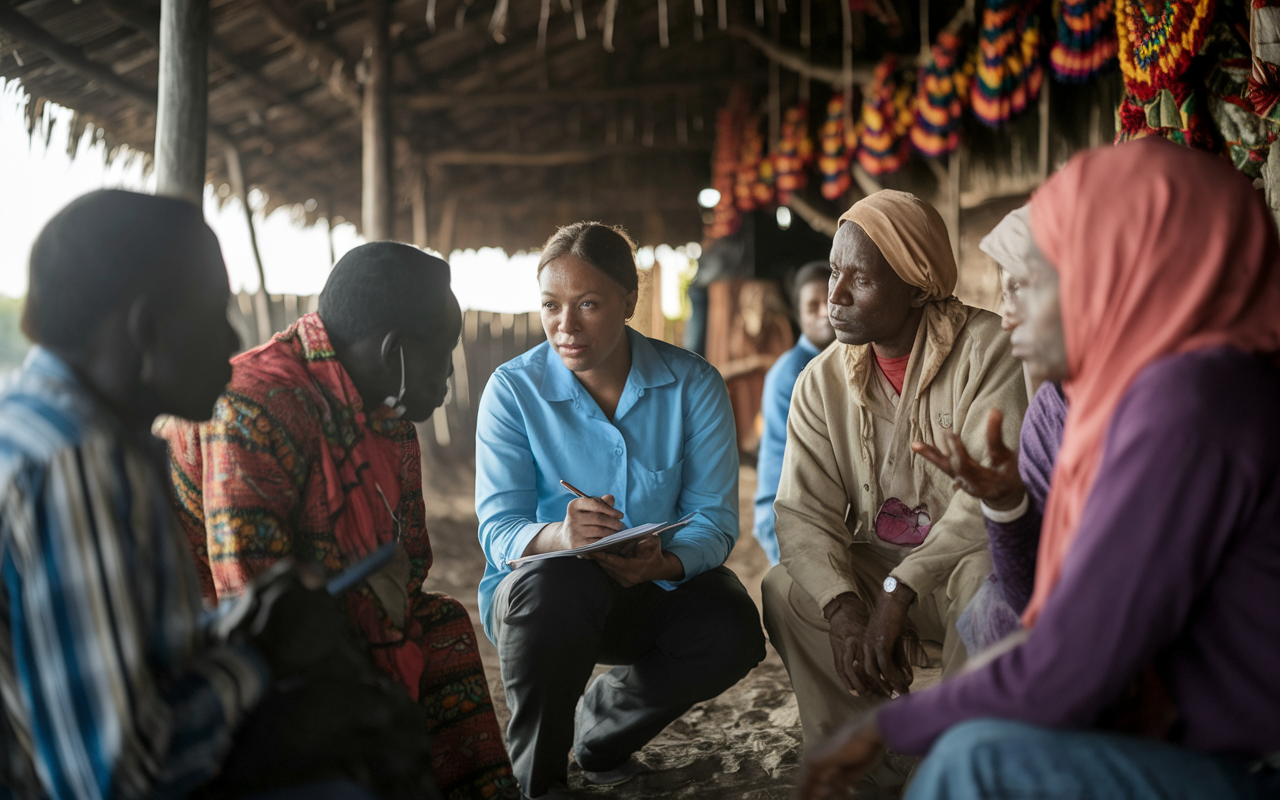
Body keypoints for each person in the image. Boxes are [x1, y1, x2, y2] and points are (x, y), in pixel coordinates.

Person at [797, 138, 1280, 800]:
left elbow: (1076, 655)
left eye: (1039, 279)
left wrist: (892, 724)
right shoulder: (1099, 402)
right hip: (1172, 720)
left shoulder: (1192, 403)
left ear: (1119, 273)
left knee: (976, 757)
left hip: (1249, 756)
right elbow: (1046, 611)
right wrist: (1007, 505)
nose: (1010, 309)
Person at [0, 190, 430, 800]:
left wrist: (233, 626)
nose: (233, 339)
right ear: (146, 327)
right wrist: (260, 658)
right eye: (213, 313)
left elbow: (127, 655)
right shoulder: (76, 468)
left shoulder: (44, 429)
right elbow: (121, 775)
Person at [159, 243, 519, 800]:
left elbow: (410, 566)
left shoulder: (383, 414)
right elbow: (248, 602)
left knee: (442, 629)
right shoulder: (255, 407)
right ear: (394, 350)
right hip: (220, 638)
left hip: (323, 610)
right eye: (443, 352)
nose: (450, 372)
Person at [475, 222, 765, 798]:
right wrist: (562, 536)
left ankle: (603, 730)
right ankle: (539, 781)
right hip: (541, 608)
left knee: (733, 630)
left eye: (587, 304)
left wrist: (662, 565)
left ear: (629, 301)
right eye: (551, 306)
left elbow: (713, 519)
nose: (566, 325)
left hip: (649, 591)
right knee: (556, 589)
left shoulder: (693, 385)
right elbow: (497, 529)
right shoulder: (512, 391)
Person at [760, 190, 1027, 790]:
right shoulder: (819, 380)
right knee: (788, 589)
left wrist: (900, 589)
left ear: (916, 284)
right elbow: (803, 513)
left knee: (991, 576)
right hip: (883, 570)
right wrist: (846, 606)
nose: (835, 295)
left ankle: (956, 765)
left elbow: (989, 497)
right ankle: (869, 767)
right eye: (833, 271)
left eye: (861, 278)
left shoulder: (989, 352)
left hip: (952, 568)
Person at [941, 205, 1071, 655]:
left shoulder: (1159, 411)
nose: (1005, 313)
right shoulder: (1052, 407)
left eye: (1017, 288)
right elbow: (1027, 593)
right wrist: (1006, 505)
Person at [752, 261, 837, 565]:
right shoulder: (790, 374)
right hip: (783, 512)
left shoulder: (847, 362)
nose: (824, 312)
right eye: (812, 305)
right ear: (798, 313)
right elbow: (793, 478)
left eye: (830, 301)